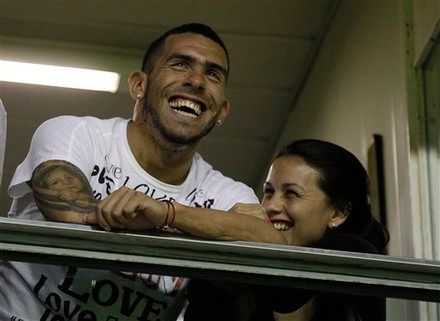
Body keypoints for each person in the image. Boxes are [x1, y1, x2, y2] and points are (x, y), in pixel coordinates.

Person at [1, 23, 261, 321]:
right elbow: (71, 214)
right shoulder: (76, 133)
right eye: (180, 64)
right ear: (139, 85)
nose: (197, 81)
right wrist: (208, 232)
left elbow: (271, 247)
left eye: (213, 74)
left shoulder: (226, 192)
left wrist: (166, 213)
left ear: (222, 112)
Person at [95, 139, 388, 321]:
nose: (272, 206)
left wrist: (168, 212)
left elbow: (286, 293)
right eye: (269, 192)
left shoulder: (357, 252)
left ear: (337, 213)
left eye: (291, 195)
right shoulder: (258, 272)